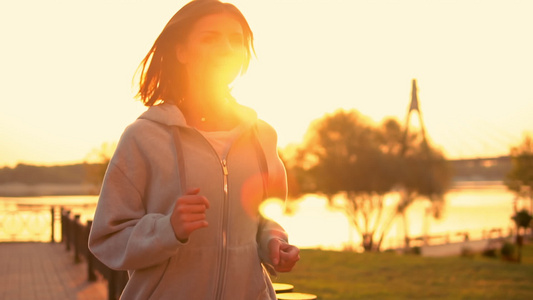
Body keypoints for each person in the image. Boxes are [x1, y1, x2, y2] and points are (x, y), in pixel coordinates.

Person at [88, 0, 300, 299]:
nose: (226, 47)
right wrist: (168, 229)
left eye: (235, 39)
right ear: (182, 51)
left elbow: (262, 218)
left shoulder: (263, 136)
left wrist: (273, 242)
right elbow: (108, 239)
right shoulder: (143, 137)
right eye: (210, 37)